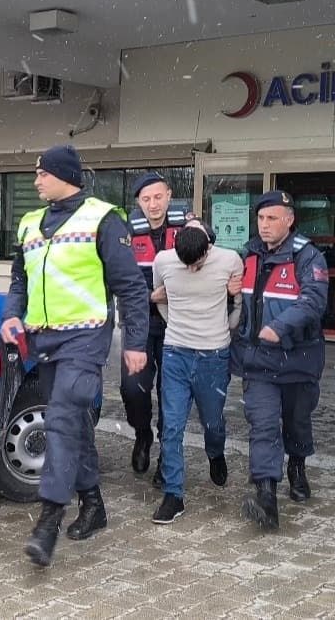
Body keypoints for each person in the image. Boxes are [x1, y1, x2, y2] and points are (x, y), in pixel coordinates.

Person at [0, 144, 149, 568]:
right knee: (74, 424)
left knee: (61, 419)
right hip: (43, 342)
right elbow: (18, 281)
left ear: (64, 175)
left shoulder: (103, 218)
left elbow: (131, 287)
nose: (36, 180)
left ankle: (48, 520)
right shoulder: (30, 224)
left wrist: (136, 342)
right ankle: (94, 502)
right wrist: (11, 316)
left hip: (85, 340)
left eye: (42, 173)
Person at [232, 190, 329, 530]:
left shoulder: (308, 257)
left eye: (272, 218)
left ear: (289, 220)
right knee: (264, 424)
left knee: (296, 421)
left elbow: (314, 302)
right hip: (258, 360)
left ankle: (297, 466)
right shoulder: (247, 255)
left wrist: (279, 326)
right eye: (261, 218)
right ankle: (266, 495)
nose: (265, 225)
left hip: (298, 359)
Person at [149, 220, 243, 524]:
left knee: (212, 422)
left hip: (213, 356)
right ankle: (173, 494)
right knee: (171, 426)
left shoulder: (230, 260)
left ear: (209, 248)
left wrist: (222, 332)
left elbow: (238, 304)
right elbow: (160, 300)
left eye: (197, 263)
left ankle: (215, 453)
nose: (190, 269)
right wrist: (177, 324)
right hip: (175, 352)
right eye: (184, 264)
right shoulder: (163, 261)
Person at [122, 172, 187, 484]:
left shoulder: (187, 226)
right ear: (138, 202)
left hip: (177, 326)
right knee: (133, 388)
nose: (153, 204)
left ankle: (167, 457)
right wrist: (149, 296)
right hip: (139, 324)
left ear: (169, 196)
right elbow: (118, 278)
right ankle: (142, 433)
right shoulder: (126, 232)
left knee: (171, 395)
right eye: (146, 199)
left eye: (158, 197)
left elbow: (207, 255)